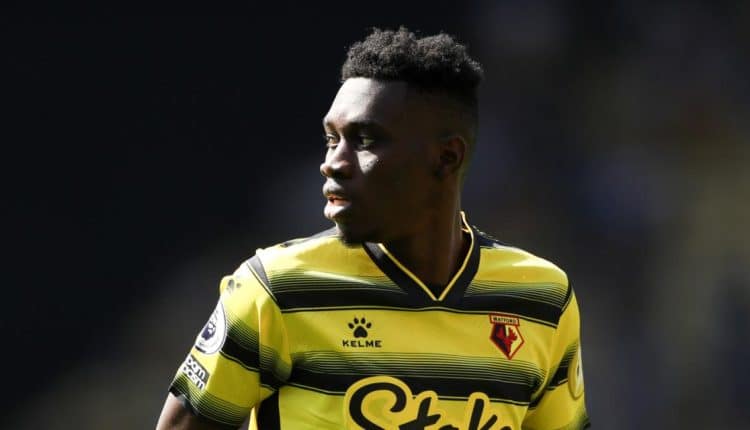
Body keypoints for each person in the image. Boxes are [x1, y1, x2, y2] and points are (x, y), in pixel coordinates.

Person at [156, 27, 590, 430]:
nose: (333, 163)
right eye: (332, 139)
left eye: (365, 140)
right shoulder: (277, 288)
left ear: (447, 158)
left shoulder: (541, 299)